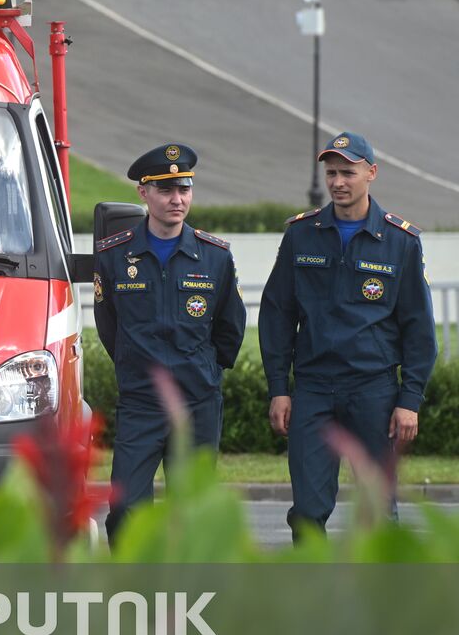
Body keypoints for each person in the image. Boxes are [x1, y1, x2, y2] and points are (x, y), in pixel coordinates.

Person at [259, 132, 436, 542]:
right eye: (332, 173)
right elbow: (277, 315)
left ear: (371, 173)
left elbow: (419, 329)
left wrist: (409, 400)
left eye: (348, 173)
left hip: (373, 391)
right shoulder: (301, 235)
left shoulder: (400, 242)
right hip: (313, 391)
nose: (338, 182)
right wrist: (277, 389)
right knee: (306, 509)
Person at [93, 143, 246, 545]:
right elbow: (109, 325)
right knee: (126, 508)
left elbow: (230, 328)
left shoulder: (215, 257)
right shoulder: (114, 255)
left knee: (191, 510)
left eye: (184, 189)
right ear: (143, 193)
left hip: (196, 401)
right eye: (165, 190)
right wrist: (134, 363)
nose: (177, 200)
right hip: (142, 402)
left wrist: (207, 370)